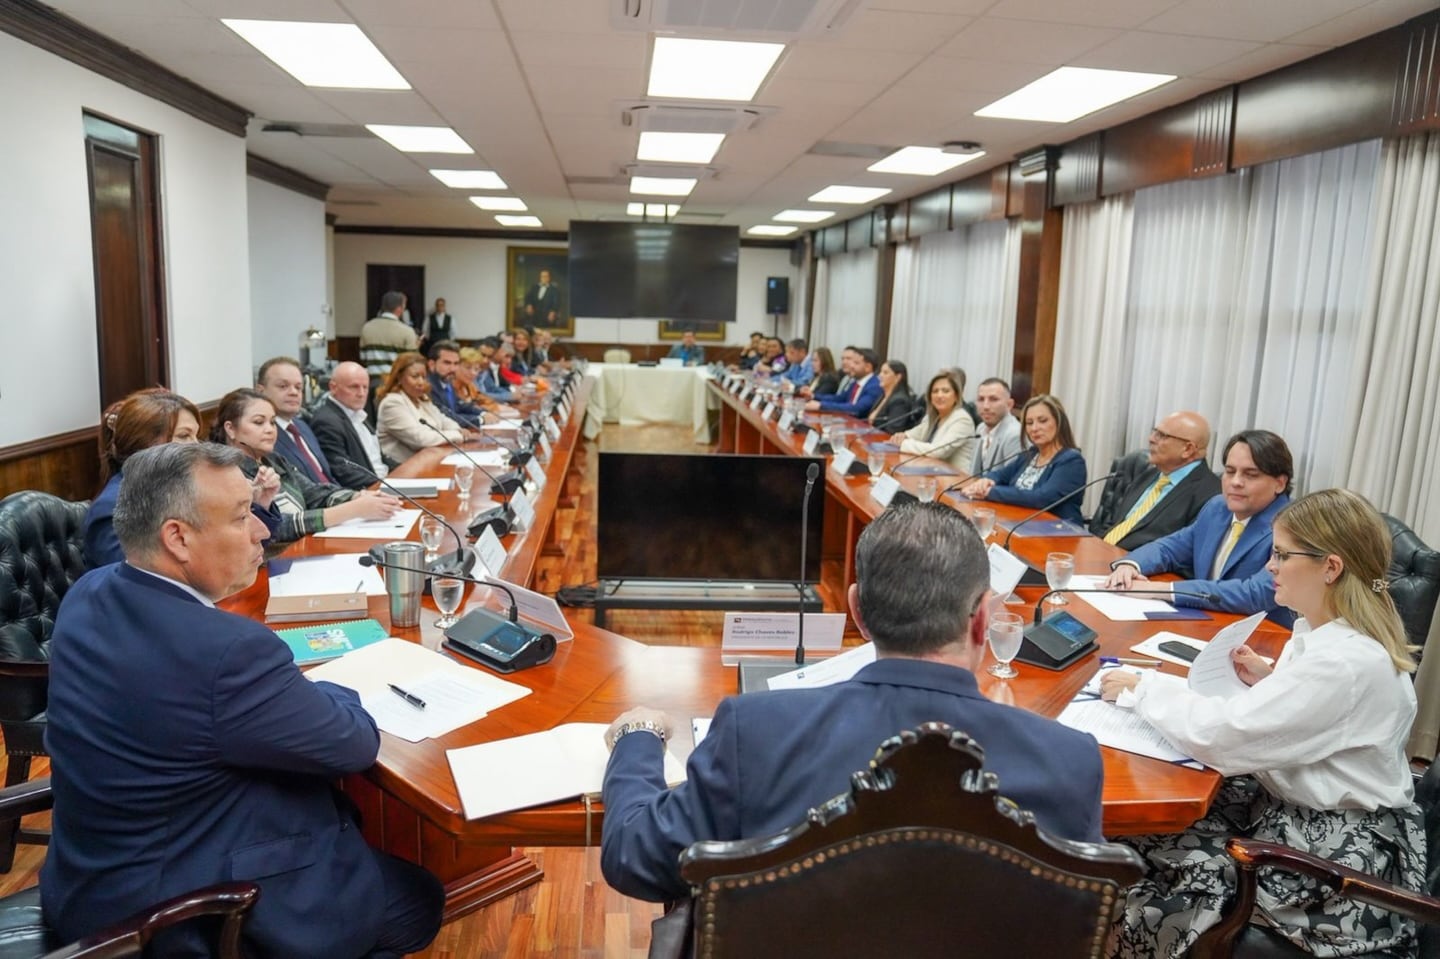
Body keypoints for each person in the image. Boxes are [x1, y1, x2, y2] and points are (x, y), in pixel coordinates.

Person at [41, 442, 445, 958]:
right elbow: (354, 745)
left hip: (87, 880)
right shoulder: (227, 652)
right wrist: (328, 687)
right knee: (420, 901)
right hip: (174, 916)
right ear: (178, 538)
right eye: (240, 516)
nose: (262, 530)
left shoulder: (88, 592)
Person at [599, 502, 1105, 903]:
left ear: (857, 612)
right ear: (982, 620)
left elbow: (634, 856)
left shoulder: (754, 733)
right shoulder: (1070, 761)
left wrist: (636, 739)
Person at [1101, 488, 1422, 958]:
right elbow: (1327, 718)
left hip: (1328, 858)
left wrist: (1143, 689)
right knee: (1143, 832)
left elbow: (1221, 737)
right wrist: (1271, 681)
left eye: (1282, 555)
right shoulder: (1333, 635)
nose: (1270, 566)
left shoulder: (1343, 663)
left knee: (1151, 860)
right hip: (1305, 814)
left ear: (1330, 568)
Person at [1103, 430, 1295, 625]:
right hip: (1207, 621)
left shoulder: (1291, 528)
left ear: (1279, 484)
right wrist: (1130, 565)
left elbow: (1254, 594)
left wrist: (1161, 589)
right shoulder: (1217, 508)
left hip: (1262, 634)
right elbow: (1170, 548)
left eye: (1251, 475)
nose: (1235, 482)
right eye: (1230, 472)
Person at [211, 388, 401, 546]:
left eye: (272, 422)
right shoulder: (227, 473)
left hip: (300, 548)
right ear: (231, 429)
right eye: (259, 422)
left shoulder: (273, 460)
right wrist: (352, 509)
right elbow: (278, 527)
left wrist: (357, 496)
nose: (269, 429)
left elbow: (313, 492)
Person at [82, 388, 204, 568]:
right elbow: (136, 578)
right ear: (146, 443)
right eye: (184, 436)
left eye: (196, 436)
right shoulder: (111, 509)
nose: (197, 446)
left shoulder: (177, 488)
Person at [1092, 411, 1220, 550]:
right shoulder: (1149, 475)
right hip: (1103, 553)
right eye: (1154, 432)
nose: (1151, 439)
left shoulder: (1210, 495)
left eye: (1162, 435)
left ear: (1188, 449)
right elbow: (1116, 523)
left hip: (1138, 562)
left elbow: (1185, 552)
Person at [959, 394, 1087, 524]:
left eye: (1042, 421)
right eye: (1029, 423)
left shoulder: (1071, 461)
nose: (1034, 428)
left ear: (1059, 423)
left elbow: (1041, 498)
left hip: (1058, 531)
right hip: (1021, 523)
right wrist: (985, 481)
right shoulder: (1031, 455)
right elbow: (999, 475)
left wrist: (990, 492)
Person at [309, 360, 399, 490]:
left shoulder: (356, 412)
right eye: (354, 387)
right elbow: (342, 472)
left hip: (383, 483)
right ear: (333, 388)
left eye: (365, 387)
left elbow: (378, 458)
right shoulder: (326, 422)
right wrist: (387, 485)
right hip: (368, 491)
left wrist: (405, 473)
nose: (361, 394)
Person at [375, 352, 474, 462]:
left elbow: (443, 420)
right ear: (399, 377)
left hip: (429, 460)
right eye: (415, 376)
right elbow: (420, 439)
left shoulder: (421, 399)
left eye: (424, 377)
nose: (421, 382)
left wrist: (457, 429)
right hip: (404, 467)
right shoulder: (392, 403)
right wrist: (457, 435)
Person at [256, 356, 333, 484]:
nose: (294, 392)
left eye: (298, 387)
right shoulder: (262, 436)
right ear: (261, 391)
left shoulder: (303, 426)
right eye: (283, 386)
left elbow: (327, 477)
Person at [893, 371, 976, 471]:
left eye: (945, 391)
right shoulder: (933, 416)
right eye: (935, 391)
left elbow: (938, 451)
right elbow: (916, 433)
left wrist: (904, 444)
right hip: (931, 472)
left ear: (956, 396)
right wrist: (903, 436)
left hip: (955, 477)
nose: (939, 395)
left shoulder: (962, 419)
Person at [359, 291, 418, 387]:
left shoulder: (367, 327)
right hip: (395, 383)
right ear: (399, 309)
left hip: (372, 382)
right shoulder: (407, 331)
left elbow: (363, 358)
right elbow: (412, 362)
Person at [805, 347, 882, 419]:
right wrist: (814, 396)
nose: (851, 366)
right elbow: (839, 398)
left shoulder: (874, 386)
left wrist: (821, 406)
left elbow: (857, 408)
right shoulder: (856, 382)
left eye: (856, 363)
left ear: (868, 367)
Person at [426, 339, 487, 429]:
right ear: (432, 364)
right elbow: (445, 416)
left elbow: (459, 405)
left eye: (456, 363)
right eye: (447, 363)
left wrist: (483, 413)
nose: (452, 369)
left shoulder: (447, 381)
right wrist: (480, 419)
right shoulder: (427, 386)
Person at [971, 377, 1023, 475]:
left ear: (1009, 404)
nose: (985, 406)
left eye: (993, 399)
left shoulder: (1015, 434)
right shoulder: (981, 428)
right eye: (981, 399)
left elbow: (1012, 479)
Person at [866, 359, 923, 432]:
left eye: (885, 373)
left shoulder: (900, 401)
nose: (880, 375)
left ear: (898, 377)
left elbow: (893, 430)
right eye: (881, 372)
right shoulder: (883, 395)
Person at [476, 337, 520, 402]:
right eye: (482, 355)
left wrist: (512, 394)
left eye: (489, 357)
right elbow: (479, 396)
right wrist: (509, 396)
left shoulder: (484, 371)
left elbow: (493, 388)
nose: (485, 361)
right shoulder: (471, 372)